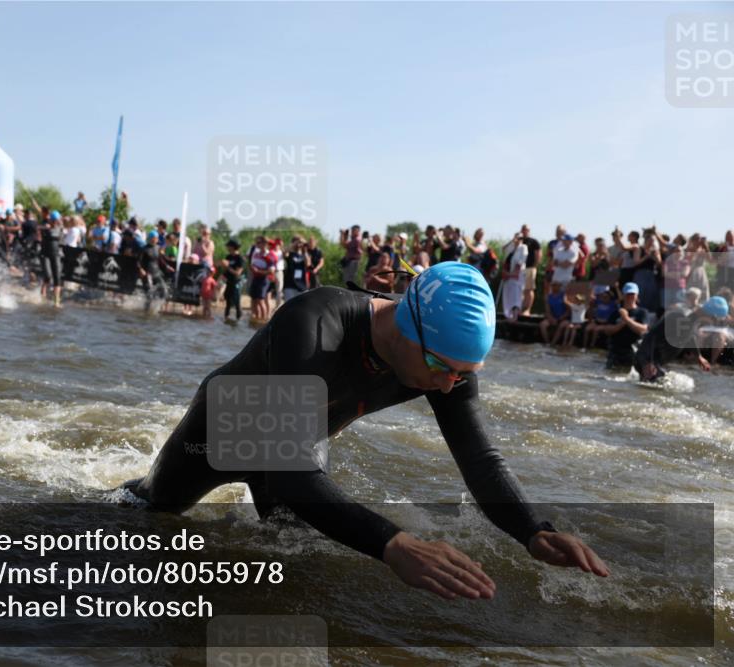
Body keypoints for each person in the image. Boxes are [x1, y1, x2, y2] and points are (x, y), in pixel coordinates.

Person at [121, 262, 608, 598]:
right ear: (406, 326)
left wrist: (532, 531)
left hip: (300, 450)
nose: (449, 384)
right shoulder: (315, 322)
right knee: (150, 516)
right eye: (443, 368)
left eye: (464, 373)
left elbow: (481, 461)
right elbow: (287, 469)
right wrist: (393, 543)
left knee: (295, 570)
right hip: (220, 433)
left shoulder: (446, 366)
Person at [634, 295, 729, 382]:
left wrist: (699, 356)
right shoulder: (678, 317)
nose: (714, 324)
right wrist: (648, 362)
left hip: (653, 362)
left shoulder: (690, 323)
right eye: (715, 320)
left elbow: (690, 338)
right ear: (708, 315)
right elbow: (651, 336)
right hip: (646, 361)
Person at [604, 282, 649, 370]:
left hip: (633, 351)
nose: (630, 296)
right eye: (628, 294)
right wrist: (621, 324)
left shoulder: (642, 312)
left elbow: (643, 329)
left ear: (637, 295)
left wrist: (626, 319)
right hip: (615, 352)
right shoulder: (616, 313)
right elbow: (607, 330)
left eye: (632, 294)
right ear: (623, 295)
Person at [39, 210, 64, 306]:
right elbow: (37, 227)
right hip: (45, 255)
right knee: (48, 276)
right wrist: (45, 227)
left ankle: (56, 301)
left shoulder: (60, 229)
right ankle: (42, 298)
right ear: (50, 220)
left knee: (57, 278)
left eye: (56, 220)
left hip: (56, 255)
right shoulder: (45, 228)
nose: (54, 222)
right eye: (53, 220)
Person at [500, 233, 528, 321]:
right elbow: (503, 249)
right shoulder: (511, 248)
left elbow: (520, 262)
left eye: (520, 238)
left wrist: (511, 274)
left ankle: (515, 316)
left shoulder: (523, 247)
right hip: (508, 275)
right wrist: (512, 241)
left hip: (517, 275)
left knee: (516, 296)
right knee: (508, 295)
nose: (518, 239)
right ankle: (508, 315)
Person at [519, 225, 541, 315]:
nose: (524, 231)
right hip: (520, 269)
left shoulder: (533, 241)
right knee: (521, 290)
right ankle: (521, 308)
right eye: (523, 229)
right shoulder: (519, 240)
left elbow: (538, 254)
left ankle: (527, 309)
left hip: (530, 267)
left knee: (529, 289)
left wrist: (534, 266)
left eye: (526, 230)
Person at [221, 238, 244, 321]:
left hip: (236, 282)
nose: (227, 247)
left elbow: (238, 273)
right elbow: (226, 271)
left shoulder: (239, 258)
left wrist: (227, 266)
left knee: (237, 302)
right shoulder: (228, 256)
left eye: (229, 246)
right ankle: (226, 318)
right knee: (227, 301)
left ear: (233, 247)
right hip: (229, 282)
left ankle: (238, 319)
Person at [283, 237, 310, 301]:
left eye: (301, 243)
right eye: (297, 243)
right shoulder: (290, 254)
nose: (299, 245)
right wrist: (295, 243)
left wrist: (305, 249)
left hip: (302, 285)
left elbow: (308, 264)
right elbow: (284, 252)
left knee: (302, 306)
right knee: (289, 306)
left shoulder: (305, 255)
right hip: (290, 284)